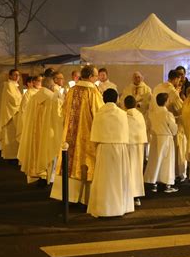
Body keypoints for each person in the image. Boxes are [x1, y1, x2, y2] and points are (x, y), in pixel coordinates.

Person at [50, 65, 104, 205]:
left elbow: (63, 110)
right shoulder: (93, 92)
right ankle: (84, 199)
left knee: (69, 160)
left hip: (69, 133)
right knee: (86, 161)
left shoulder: (72, 90)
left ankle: (69, 196)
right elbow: (99, 113)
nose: (97, 78)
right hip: (87, 134)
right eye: (96, 75)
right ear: (91, 77)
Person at [87, 89, 134, 217]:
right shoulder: (121, 114)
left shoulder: (99, 114)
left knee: (104, 179)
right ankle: (121, 206)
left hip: (104, 148)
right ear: (116, 99)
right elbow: (125, 132)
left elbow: (95, 135)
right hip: (119, 148)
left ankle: (104, 208)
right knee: (119, 178)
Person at [19, 77, 63, 185]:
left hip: (34, 132)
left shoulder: (33, 98)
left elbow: (26, 115)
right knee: (48, 152)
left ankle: (39, 176)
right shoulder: (53, 99)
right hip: (48, 131)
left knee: (36, 151)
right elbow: (59, 116)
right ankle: (48, 176)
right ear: (52, 86)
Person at [151, 70, 186, 182]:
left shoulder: (157, 87)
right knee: (174, 152)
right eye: (179, 80)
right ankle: (176, 174)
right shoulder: (171, 90)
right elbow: (180, 108)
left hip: (156, 122)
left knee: (157, 153)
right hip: (170, 124)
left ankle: (157, 176)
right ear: (175, 79)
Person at [144, 93, 179, 193]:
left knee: (154, 160)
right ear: (166, 101)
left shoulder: (152, 114)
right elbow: (173, 129)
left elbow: (148, 126)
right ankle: (166, 184)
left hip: (155, 138)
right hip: (166, 139)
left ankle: (152, 182)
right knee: (167, 162)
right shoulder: (167, 114)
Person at [124, 95, 148, 206]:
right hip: (139, 145)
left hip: (128, 145)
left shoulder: (124, 115)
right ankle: (137, 195)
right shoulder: (140, 115)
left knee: (128, 169)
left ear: (124, 105)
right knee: (137, 170)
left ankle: (128, 194)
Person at [0, 69, 23, 162]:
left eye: (18, 75)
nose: (17, 77)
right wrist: (22, 101)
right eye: (15, 75)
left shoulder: (14, 86)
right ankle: (10, 156)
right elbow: (13, 100)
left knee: (14, 134)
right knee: (10, 134)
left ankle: (14, 155)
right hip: (11, 115)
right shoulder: (8, 85)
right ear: (10, 76)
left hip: (15, 113)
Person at [16, 76, 40, 142]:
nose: (41, 83)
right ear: (34, 82)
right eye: (39, 81)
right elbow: (25, 108)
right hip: (32, 120)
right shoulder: (29, 93)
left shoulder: (41, 92)